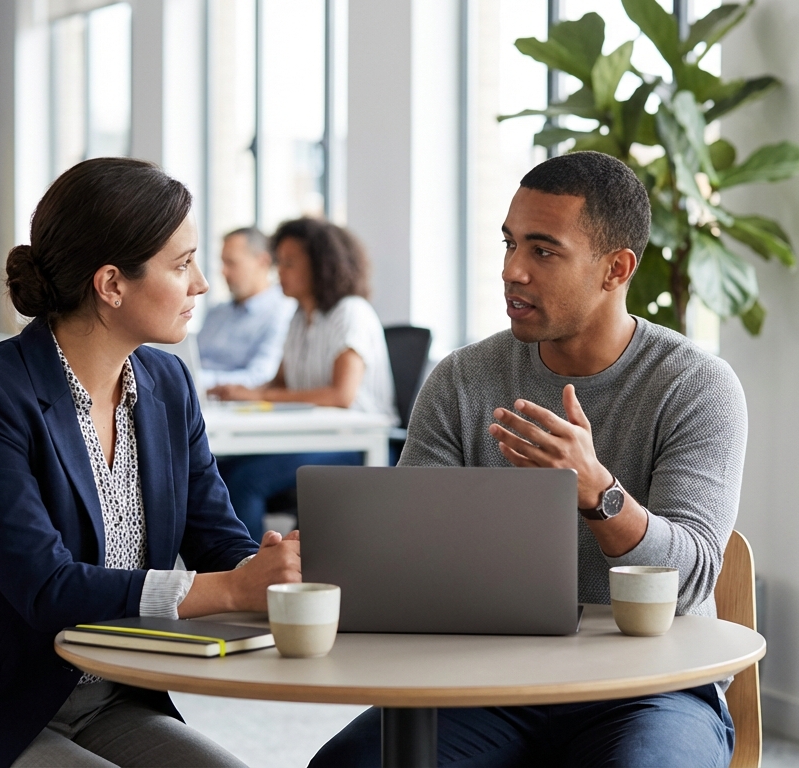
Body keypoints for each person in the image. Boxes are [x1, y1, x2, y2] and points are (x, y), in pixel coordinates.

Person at [0, 158, 301, 768]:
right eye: (180, 264)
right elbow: (46, 587)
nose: (200, 284)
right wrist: (226, 590)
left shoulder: (168, 383)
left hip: (109, 698)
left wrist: (274, 568)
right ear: (112, 284)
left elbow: (217, 538)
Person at [310, 151, 746, 767]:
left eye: (543, 251)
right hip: (482, 683)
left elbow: (695, 578)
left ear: (615, 269)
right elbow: (409, 559)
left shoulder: (695, 385)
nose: (512, 270)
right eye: (510, 244)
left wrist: (597, 492)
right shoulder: (461, 379)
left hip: (649, 687)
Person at [208, 218, 396, 540]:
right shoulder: (298, 316)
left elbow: (341, 395)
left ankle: (251, 577)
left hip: (358, 445)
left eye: (290, 263)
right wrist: (244, 392)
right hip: (317, 438)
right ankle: (230, 573)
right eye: (279, 262)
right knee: (219, 472)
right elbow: (279, 384)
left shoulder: (351, 312)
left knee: (245, 481)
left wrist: (259, 397)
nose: (279, 271)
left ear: (321, 265)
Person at [195, 226, 295, 389]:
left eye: (231, 263)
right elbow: (191, 361)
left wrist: (192, 380)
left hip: (238, 407)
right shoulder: (216, 313)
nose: (223, 272)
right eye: (222, 262)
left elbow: (260, 377)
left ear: (263, 261)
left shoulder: (282, 313)